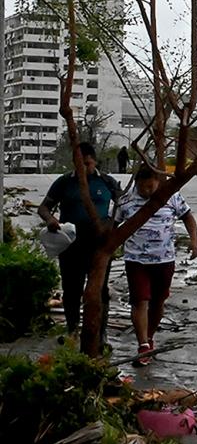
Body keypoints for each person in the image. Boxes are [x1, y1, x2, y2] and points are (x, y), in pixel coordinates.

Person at [38, 142, 123, 344]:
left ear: (94, 161)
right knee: (71, 289)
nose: (83, 168)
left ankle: (100, 333)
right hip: (71, 243)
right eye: (79, 164)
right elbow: (44, 208)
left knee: (100, 290)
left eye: (87, 163)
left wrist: (113, 227)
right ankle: (72, 329)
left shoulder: (107, 182)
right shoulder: (64, 182)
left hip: (99, 244)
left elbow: (123, 206)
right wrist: (50, 220)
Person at [115, 165, 197, 366]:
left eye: (151, 187)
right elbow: (113, 226)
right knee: (140, 301)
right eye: (143, 188)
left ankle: (150, 336)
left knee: (158, 302)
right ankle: (142, 344)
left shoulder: (171, 195)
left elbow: (188, 216)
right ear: (137, 184)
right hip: (136, 260)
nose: (147, 191)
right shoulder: (125, 201)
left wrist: (194, 241)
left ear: (158, 182)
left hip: (164, 259)